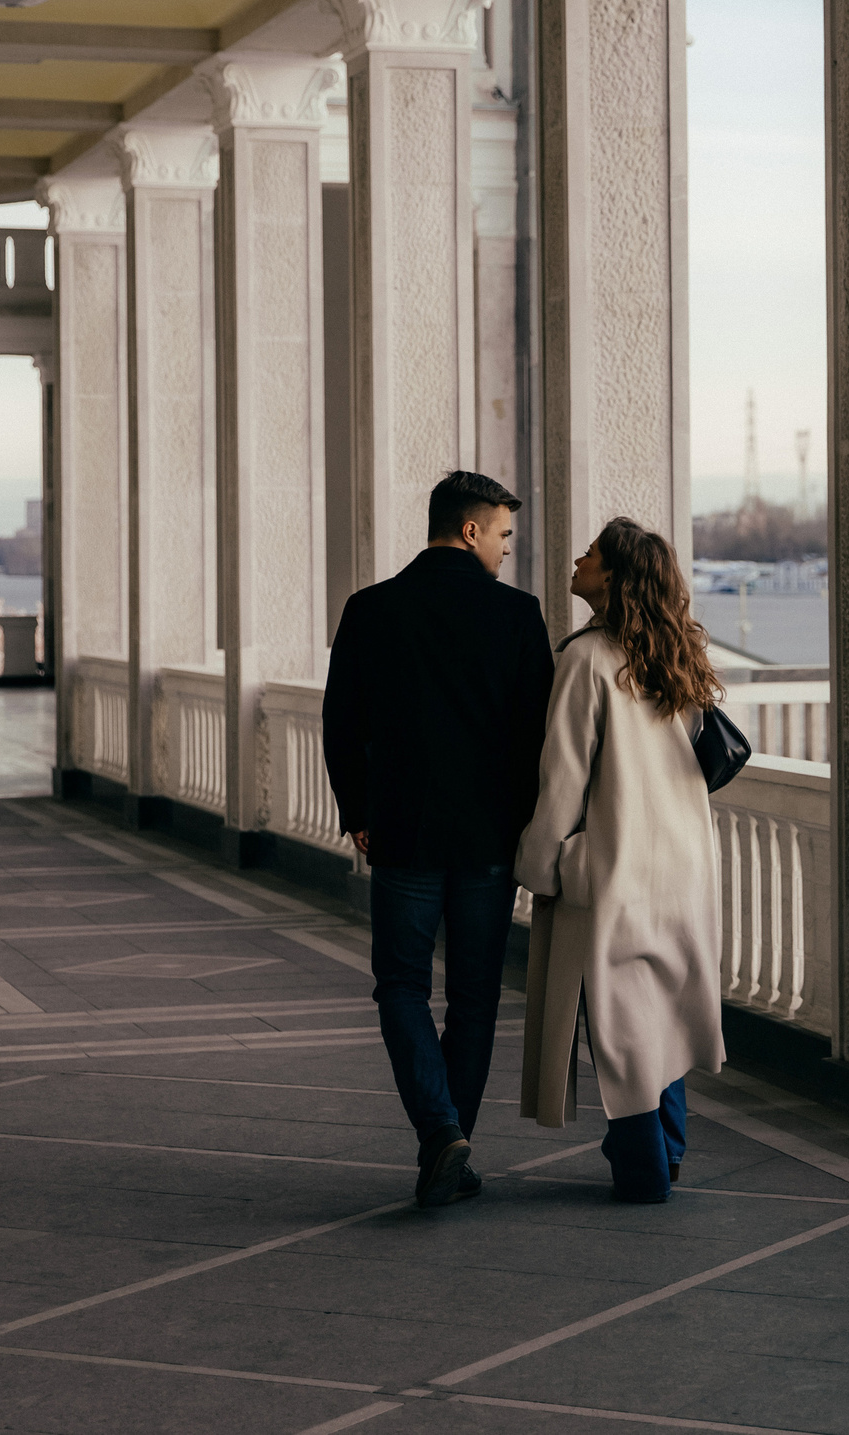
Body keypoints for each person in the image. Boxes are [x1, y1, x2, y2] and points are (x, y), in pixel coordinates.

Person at [325, 470, 554, 1208]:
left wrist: (357, 808)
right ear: (470, 530)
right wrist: (521, 818)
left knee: (400, 985)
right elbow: (539, 736)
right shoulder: (519, 616)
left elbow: (341, 723)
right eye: (503, 534)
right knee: (476, 998)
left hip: (403, 830)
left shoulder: (370, 609)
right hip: (489, 839)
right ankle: (451, 1136)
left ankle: (440, 1132)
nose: (505, 549)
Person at [515, 517, 727, 1202]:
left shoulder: (584, 659)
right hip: (683, 862)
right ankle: (665, 1152)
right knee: (657, 1011)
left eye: (591, 555)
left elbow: (563, 778)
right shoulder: (677, 652)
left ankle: (643, 1168)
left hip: (616, 864)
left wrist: (539, 866)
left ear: (611, 577)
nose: (577, 559)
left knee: (622, 1023)